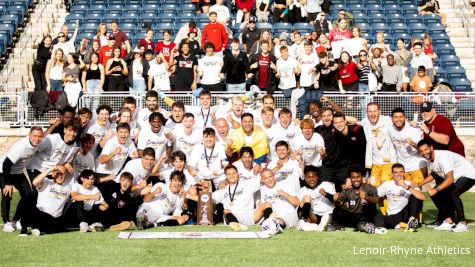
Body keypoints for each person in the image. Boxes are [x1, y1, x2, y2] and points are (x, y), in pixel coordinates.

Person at [417, 140, 475, 232]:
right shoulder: (429, 159)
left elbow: (450, 179)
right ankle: (448, 221)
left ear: (431, 148)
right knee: (435, 193)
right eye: (421, 151)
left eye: (426, 149)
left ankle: (463, 223)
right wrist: (420, 183)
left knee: (453, 193)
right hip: (457, 177)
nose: (424, 153)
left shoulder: (443, 157)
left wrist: (436, 189)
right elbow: (435, 174)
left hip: (469, 175)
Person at [0, 127, 43, 232]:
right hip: (4, 170)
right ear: (29, 135)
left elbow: (46, 134)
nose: (37, 139)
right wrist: (8, 183)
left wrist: (54, 125)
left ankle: (15, 220)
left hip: (18, 172)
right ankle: (6, 223)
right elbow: (6, 164)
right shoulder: (21, 147)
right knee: (7, 194)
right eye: (34, 136)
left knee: (29, 195)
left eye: (39, 136)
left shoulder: (39, 143)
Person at [19, 165, 72, 236]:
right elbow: (35, 182)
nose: (60, 176)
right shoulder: (46, 182)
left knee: (60, 226)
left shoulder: (68, 187)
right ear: (53, 174)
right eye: (57, 173)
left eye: (62, 174)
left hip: (54, 219)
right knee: (27, 201)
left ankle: (38, 228)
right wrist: (50, 169)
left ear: (65, 174)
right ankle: (24, 228)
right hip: (40, 214)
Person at [374, 164, 426, 231]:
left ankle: (411, 221)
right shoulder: (387, 184)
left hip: (406, 214)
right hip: (393, 216)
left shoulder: (410, 184)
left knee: (415, 196)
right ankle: (396, 226)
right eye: (395, 172)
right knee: (378, 217)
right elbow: (374, 195)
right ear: (392, 174)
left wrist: (406, 186)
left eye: (401, 172)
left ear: (404, 173)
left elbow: (422, 197)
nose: (398, 174)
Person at [211, 165, 261, 230]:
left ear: (237, 173)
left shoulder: (248, 184)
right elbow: (204, 198)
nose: (231, 176)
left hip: (248, 218)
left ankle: (272, 224)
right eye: (229, 174)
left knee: (266, 205)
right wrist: (193, 194)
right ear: (226, 176)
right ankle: (237, 225)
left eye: (233, 173)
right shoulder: (222, 191)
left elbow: (265, 176)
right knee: (226, 210)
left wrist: (277, 167)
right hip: (232, 219)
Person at [361, 102, 397, 189]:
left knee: (385, 188)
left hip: (389, 161)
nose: (372, 114)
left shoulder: (387, 120)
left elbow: (400, 121)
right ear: (367, 113)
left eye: (374, 111)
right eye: (370, 111)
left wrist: (411, 123)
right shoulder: (365, 122)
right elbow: (351, 120)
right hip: (375, 164)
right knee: (375, 192)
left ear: (379, 111)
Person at [332, 166, 378, 232]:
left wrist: (366, 197)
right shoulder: (347, 191)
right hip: (353, 216)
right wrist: (336, 201)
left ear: (362, 177)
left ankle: (363, 225)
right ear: (350, 179)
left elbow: (376, 200)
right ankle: (336, 226)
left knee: (370, 210)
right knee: (336, 210)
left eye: (358, 177)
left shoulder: (370, 188)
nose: (356, 180)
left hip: (365, 216)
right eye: (353, 177)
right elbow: (340, 204)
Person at [297, 165, 335, 232]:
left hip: (327, 214)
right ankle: (303, 222)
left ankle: (320, 225)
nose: (311, 179)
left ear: (317, 177)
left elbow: (336, 199)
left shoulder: (325, 185)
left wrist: (326, 194)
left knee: (326, 217)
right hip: (314, 217)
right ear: (305, 179)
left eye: (313, 177)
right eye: (308, 177)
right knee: (307, 197)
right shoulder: (302, 190)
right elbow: (300, 207)